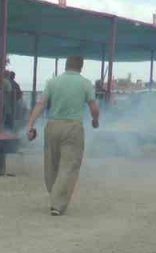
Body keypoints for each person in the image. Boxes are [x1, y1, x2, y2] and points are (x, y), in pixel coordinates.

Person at [24, 56, 99, 216]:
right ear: (81, 67)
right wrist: (95, 120)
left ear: (66, 66)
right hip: (73, 128)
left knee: (51, 163)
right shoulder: (85, 83)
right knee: (69, 165)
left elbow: (41, 104)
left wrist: (30, 124)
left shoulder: (53, 82)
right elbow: (93, 106)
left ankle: (54, 193)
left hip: (52, 126)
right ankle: (57, 204)